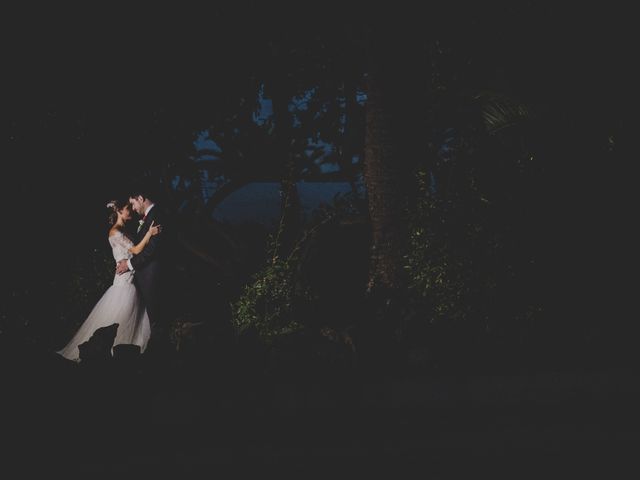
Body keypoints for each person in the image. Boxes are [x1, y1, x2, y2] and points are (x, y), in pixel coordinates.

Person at [57, 200, 162, 361]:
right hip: (124, 284)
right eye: (128, 209)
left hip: (131, 279)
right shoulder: (115, 232)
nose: (131, 212)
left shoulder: (124, 230)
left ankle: (125, 356)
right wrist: (149, 233)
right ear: (119, 211)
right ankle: (112, 356)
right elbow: (135, 250)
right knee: (121, 319)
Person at [116, 189, 170, 359]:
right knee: (152, 320)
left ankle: (158, 358)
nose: (132, 207)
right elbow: (138, 248)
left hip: (153, 276)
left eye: (133, 203)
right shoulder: (149, 216)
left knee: (157, 321)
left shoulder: (157, 214)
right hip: (144, 277)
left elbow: (152, 250)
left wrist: (129, 264)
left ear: (141, 198)